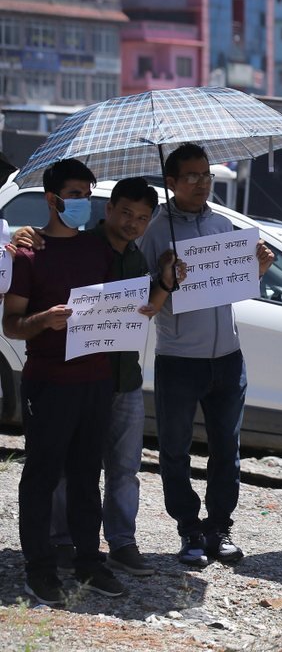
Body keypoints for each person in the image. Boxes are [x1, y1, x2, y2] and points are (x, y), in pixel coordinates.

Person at [32, 178, 177, 578]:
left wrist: (164, 280)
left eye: (142, 218)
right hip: (79, 378)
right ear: (109, 208)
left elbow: (146, 307)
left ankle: (122, 543)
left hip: (125, 379)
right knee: (70, 467)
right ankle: (63, 541)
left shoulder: (137, 256)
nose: (133, 223)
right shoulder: (80, 246)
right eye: (126, 213)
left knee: (125, 468)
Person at [138, 143, 274, 567]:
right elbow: (145, 299)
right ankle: (189, 529)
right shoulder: (156, 230)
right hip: (179, 358)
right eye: (191, 176)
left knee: (226, 449)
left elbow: (233, 283)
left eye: (206, 175)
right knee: (175, 450)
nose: (201, 183)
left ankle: (219, 527)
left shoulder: (221, 223)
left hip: (228, 358)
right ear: (171, 183)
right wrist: (163, 276)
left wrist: (259, 268)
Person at [5, 159, 123, 604]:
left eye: (87, 193)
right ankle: (39, 568)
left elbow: (116, 306)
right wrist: (44, 320)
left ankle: (89, 562)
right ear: (53, 200)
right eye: (75, 194)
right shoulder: (29, 253)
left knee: (86, 474)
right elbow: (11, 324)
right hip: (49, 382)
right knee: (41, 475)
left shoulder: (97, 250)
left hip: (96, 380)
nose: (82, 201)